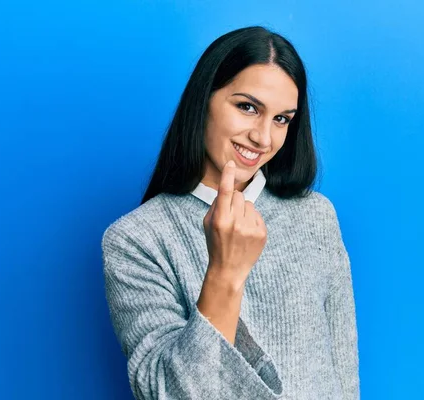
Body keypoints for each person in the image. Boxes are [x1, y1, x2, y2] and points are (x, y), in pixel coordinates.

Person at [101, 25, 360, 400]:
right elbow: (169, 393)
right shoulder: (135, 241)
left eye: (281, 119)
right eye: (247, 107)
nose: (263, 138)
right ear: (203, 100)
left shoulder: (315, 216)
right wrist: (225, 272)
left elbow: (344, 371)